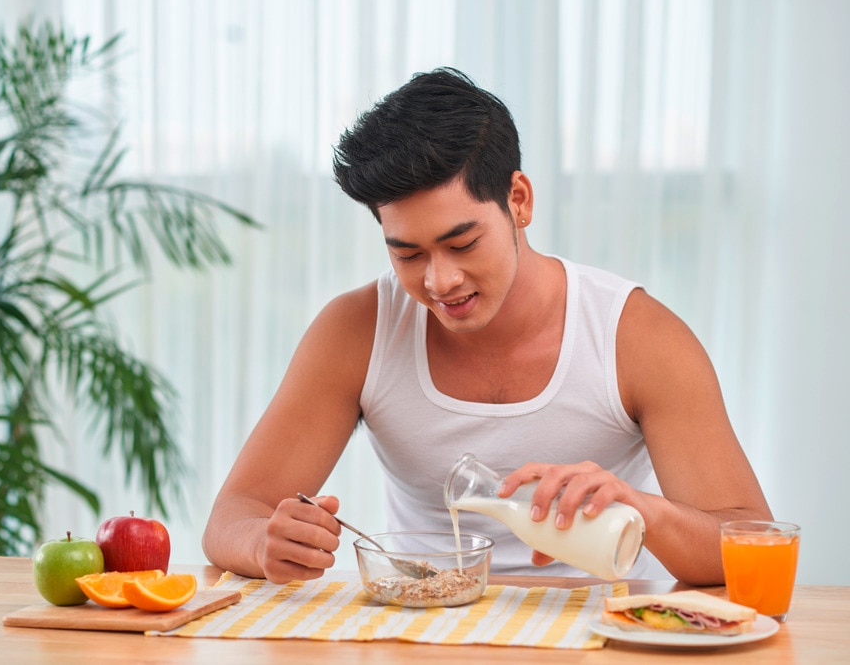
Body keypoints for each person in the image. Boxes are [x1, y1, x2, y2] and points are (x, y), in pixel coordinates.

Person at [202, 67, 772, 586]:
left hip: (598, 636)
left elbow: (751, 543)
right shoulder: (357, 331)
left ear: (518, 200)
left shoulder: (635, 336)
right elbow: (233, 514)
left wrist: (644, 510)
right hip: (421, 634)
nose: (439, 281)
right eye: (407, 254)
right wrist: (265, 542)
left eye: (462, 243)